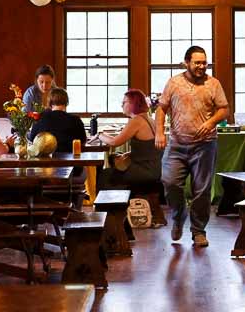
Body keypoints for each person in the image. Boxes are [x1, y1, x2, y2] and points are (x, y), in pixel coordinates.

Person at [156, 45, 229, 248]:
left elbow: (224, 110)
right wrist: (160, 132)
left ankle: (198, 231)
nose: (201, 66)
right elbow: (161, 109)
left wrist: (211, 122)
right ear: (186, 62)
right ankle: (179, 217)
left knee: (202, 191)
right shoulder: (174, 83)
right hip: (177, 145)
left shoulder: (213, 84)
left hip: (204, 146)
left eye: (204, 62)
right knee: (169, 182)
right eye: (197, 62)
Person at [97, 90, 163, 189]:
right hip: (156, 168)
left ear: (134, 103)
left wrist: (99, 135)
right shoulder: (148, 119)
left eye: (124, 102)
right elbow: (146, 150)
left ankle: (117, 203)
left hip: (147, 171)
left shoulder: (137, 121)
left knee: (105, 175)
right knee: (114, 157)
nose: (121, 105)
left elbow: (114, 142)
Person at [28, 87, 87, 153]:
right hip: (69, 160)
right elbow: (83, 141)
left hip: (45, 159)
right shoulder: (76, 120)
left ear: (50, 102)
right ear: (66, 102)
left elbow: (32, 139)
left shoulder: (40, 118)